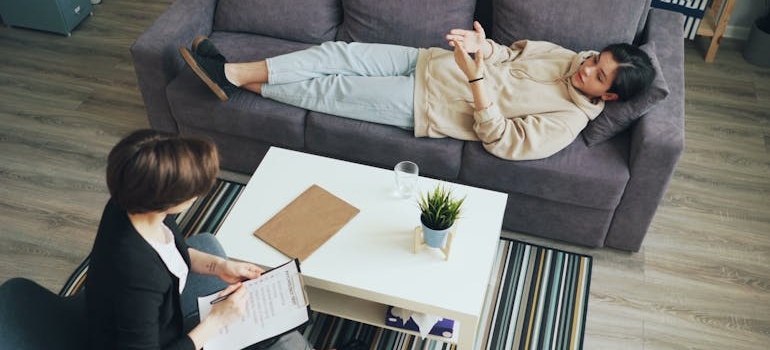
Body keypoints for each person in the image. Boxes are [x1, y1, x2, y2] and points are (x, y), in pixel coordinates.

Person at [179, 21, 655, 161]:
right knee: (336, 53)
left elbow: (504, 141)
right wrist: (481, 48)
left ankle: (228, 78)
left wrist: (475, 80)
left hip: (427, 104)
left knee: (333, 90)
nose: (587, 67)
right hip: (427, 60)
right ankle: (234, 74)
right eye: (596, 59)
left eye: (599, 75)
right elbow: (508, 54)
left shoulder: (568, 122)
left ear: (608, 97)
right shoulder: (567, 58)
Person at [85, 129, 311, 350]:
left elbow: (171, 253)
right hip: (163, 337)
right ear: (164, 198)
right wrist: (216, 321)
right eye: (192, 192)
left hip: (165, 314)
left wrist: (220, 266)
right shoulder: (137, 277)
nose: (197, 196)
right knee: (280, 339)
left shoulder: (132, 204)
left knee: (277, 332)